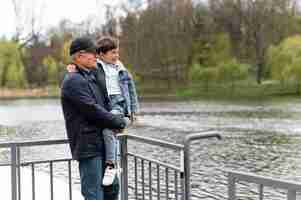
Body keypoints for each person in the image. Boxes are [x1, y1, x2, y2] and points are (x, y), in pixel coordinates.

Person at [67, 36, 139, 186]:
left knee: (108, 130)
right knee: (109, 129)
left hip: (119, 104)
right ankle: (112, 164)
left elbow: (131, 89)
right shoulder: (96, 66)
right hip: (107, 104)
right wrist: (72, 69)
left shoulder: (121, 68)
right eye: (112, 53)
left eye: (117, 53)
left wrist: (134, 111)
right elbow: (84, 74)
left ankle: (111, 165)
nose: (116, 56)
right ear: (102, 54)